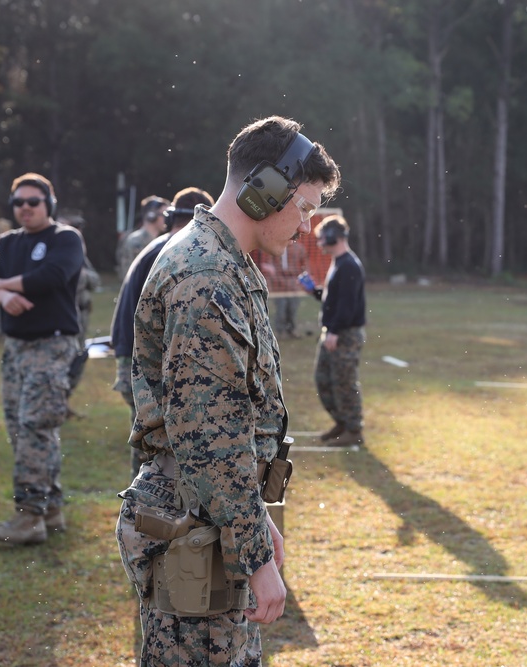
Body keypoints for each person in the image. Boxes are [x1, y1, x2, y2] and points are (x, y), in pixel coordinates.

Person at [116, 116, 340, 667]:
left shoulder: (227, 264)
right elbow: (209, 443)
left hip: (212, 516)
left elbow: (227, 424)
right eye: (305, 208)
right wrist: (259, 560)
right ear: (265, 191)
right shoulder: (205, 279)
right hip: (195, 523)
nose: (307, 228)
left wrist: (254, 523)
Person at [0, 173, 84, 545]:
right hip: (16, 348)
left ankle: (28, 516)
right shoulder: (7, 242)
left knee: (35, 426)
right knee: (20, 430)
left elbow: (51, 277)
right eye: (18, 202)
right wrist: (1, 298)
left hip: (51, 346)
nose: (25, 208)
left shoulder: (65, 238)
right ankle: (50, 507)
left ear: (48, 204)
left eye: (33, 202)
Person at [109, 186, 214, 478]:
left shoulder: (161, 247)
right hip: (148, 368)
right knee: (157, 461)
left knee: (153, 455)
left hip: (137, 362)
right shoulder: (179, 252)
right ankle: (144, 521)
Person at [308, 214, 367, 447]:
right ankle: (342, 422)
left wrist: (334, 331)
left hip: (344, 334)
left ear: (335, 237)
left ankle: (354, 429)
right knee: (324, 380)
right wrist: (314, 291)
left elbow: (347, 305)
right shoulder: (339, 263)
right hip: (334, 332)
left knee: (345, 382)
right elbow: (335, 299)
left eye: (323, 238)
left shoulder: (349, 265)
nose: (320, 243)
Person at [59, 210, 102, 399]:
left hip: (82, 316)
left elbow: (95, 279)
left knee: (78, 359)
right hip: (64, 316)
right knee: (64, 361)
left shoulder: (80, 255)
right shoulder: (58, 253)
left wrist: (83, 277)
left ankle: (65, 400)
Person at [261, 242, 309, 338]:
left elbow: (306, 263)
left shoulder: (298, 248)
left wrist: (304, 278)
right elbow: (269, 263)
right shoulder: (276, 247)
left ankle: (292, 330)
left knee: (292, 308)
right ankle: (280, 331)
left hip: (293, 281)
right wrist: (273, 277)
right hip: (279, 282)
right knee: (281, 308)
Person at [116, 196, 169, 281]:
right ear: (151, 216)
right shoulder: (136, 241)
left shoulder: (156, 241)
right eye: (165, 214)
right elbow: (129, 277)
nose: (167, 219)